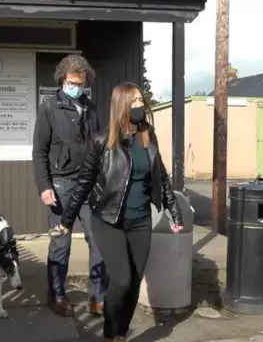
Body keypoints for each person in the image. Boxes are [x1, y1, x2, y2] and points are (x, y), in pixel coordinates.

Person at [54, 82, 184, 342]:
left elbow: (162, 176)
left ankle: (121, 334)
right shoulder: (102, 141)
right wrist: (67, 221)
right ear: (121, 106)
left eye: (141, 101)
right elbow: (84, 184)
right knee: (122, 280)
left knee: (135, 282)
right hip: (109, 221)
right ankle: (109, 334)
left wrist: (174, 212)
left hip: (141, 221)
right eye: (133, 102)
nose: (139, 106)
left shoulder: (148, 136)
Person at [32, 54, 108, 317]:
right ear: (63, 78)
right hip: (61, 185)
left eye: (82, 82)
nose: (78, 86)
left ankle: (98, 298)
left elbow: (101, 147)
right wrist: (44, 186)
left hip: (89, 185)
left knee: (98, 241)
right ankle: (56, 295)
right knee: (61, 243)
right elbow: (39, 151)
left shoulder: (92, 108)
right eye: (74, 82)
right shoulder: (49, 108)